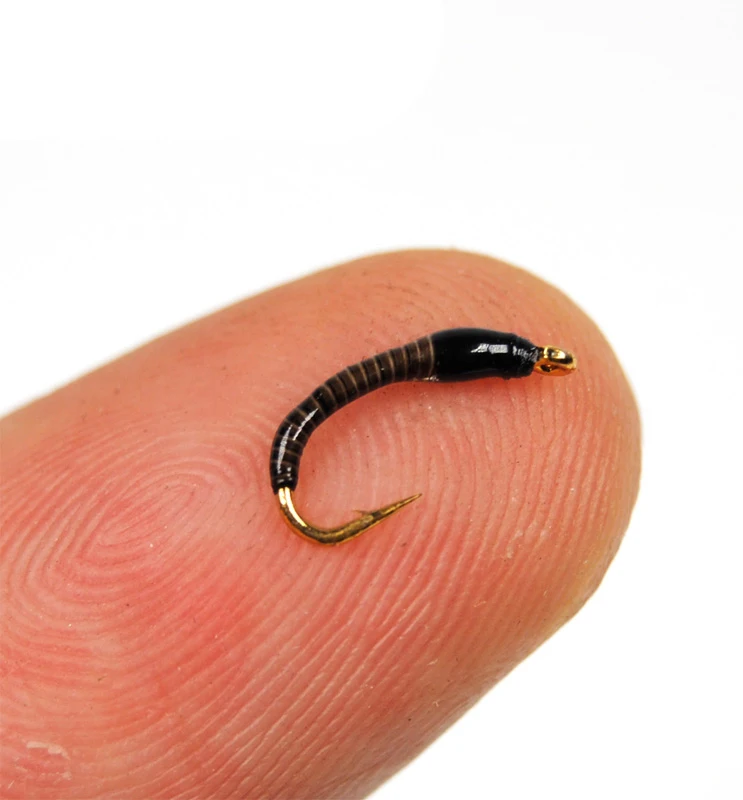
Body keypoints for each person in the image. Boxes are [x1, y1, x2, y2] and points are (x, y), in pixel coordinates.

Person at [0, 250, 640, 798]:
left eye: (540, 360)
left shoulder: (470, 359)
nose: (551, 362)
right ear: (505, 361)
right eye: (540, 360)